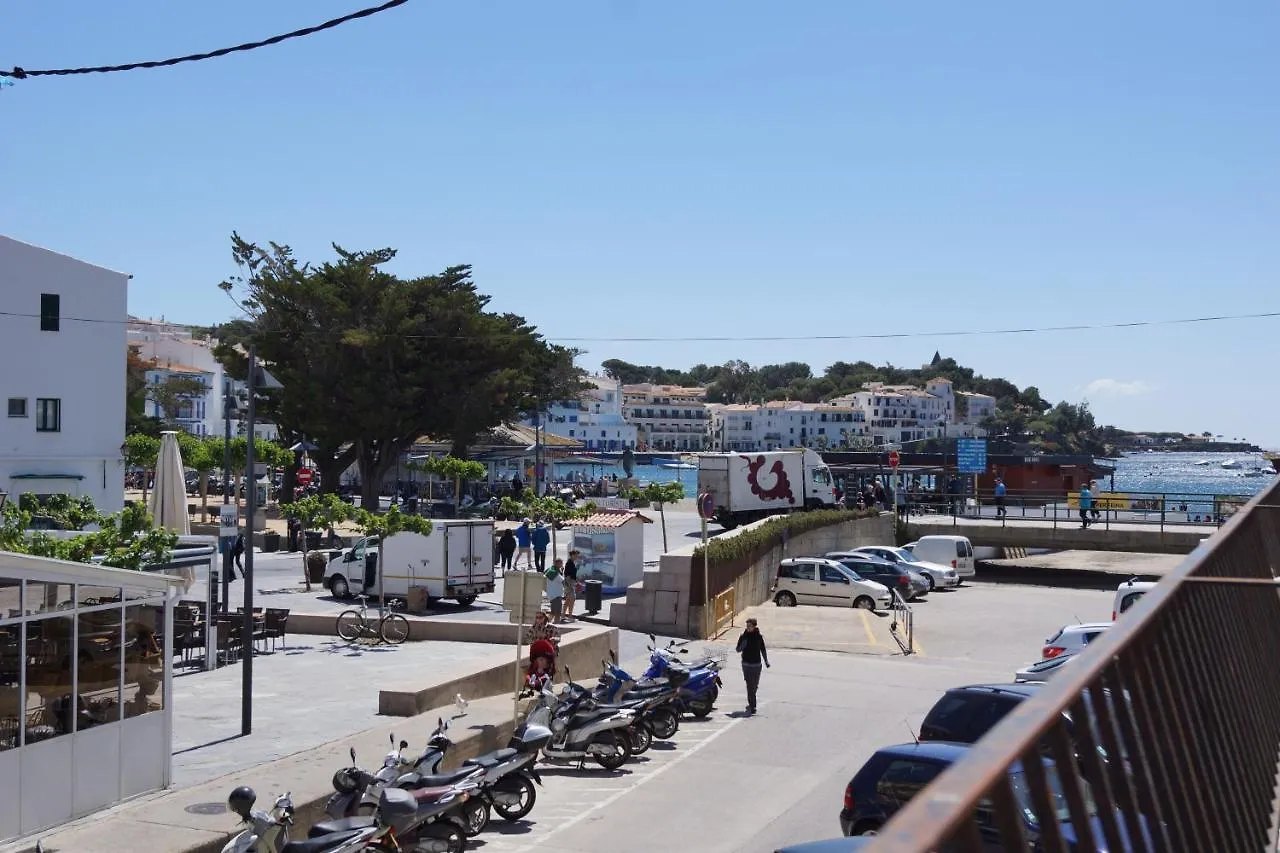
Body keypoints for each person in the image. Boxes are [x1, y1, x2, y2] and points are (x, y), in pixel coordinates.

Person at [735, 617, 770, 715]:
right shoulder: (743, 636)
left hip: (756, 665)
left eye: (750, 626)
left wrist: (766, 661)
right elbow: (738, 649)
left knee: (754, 686)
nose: (748, 628)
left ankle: (751, 701)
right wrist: (743, 645)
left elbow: (763, 649)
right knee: (750, 685)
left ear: (755, 626)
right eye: (747, 626)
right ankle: (752, 706)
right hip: (746, 664)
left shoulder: (759, 637)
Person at [562, 550, 580, 620]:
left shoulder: (572, 563)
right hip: (569, 583)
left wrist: (576, 582)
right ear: (572, 555)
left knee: (568, 600)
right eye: (575, 555)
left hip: (571, 583)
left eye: (577, 555)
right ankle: (569, 616)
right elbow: (567, 575)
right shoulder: (569, 563)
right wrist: (570, 585)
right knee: (571, 599)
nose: (576, 557)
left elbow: (573, 574)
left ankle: (564, 615)